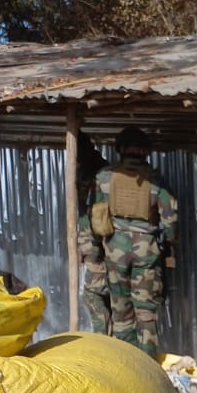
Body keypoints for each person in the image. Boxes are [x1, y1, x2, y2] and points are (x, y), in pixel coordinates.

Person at [90, 125, 178, 357]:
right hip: (146, 251)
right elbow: (170, 219)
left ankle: (127, 364)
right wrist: (169, 243)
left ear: (120, 148)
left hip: (115, 249)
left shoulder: (104, 177)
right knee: (146, 311)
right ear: (145, 151)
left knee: (120, 310)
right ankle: (148, 364)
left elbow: (97, 215)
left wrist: (99, 247)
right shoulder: (155, 181)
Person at [76, 132, 111, 335]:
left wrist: (88, 244)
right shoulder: (94, 168)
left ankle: (103, 338)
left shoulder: (96, 172)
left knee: (92, 294)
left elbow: (97, 213)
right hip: (93, 238)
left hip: (97, 239)